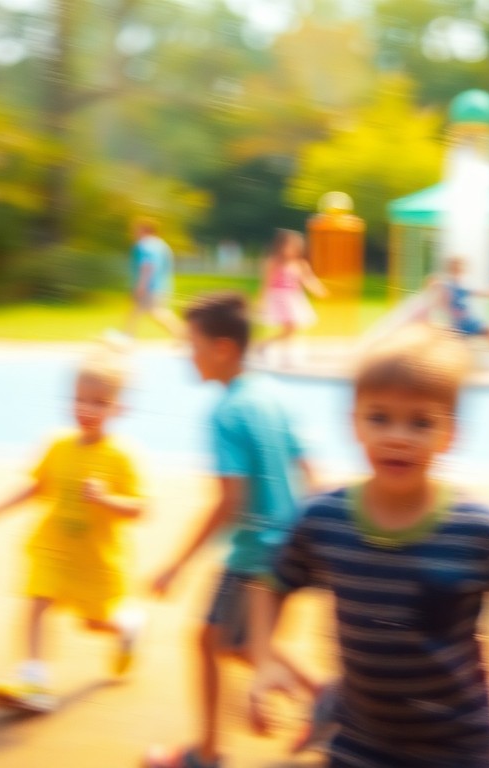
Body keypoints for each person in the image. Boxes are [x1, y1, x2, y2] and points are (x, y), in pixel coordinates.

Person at [246, 326, 489, 767]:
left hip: (456, 749)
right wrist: (263, 657)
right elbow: (272, 582)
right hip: (360, 741)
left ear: (450, 434)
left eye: (421, 422)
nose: (398, 436)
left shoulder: (478, 530)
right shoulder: (324, 519)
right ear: (354, 424)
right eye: (379, 417)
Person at [145, 291, 327, 768]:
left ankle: (206, 753)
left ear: (223, 348)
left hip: (254, 554)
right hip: (288, 548)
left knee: (207, 642)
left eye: (194, 344)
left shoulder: (225, 412)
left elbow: (229, 501)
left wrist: (176, 565)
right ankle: (323, 700)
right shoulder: (273, 395)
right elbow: (311, 471)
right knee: (240, 643)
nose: (188, 354)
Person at [0, 347, 147, 713]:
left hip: (95, 560)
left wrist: (108, 500)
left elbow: (140, 508)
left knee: (96, 623)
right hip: (52, 548)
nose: (87, 409)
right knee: (37, 602)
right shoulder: (57, 446)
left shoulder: (121, 456)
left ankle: (127, 628)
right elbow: (36, 486)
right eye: (80, 399)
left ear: (119, 409)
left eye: (99, 402)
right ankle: (34, 681)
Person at [253, 229, 327, 368]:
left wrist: (318, 290)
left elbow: (308, 280)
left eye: (296, 246)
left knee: (291, 329)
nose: (293, 249)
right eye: (290, 245)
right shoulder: (274, 263)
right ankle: (269, 348)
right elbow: (266, 283)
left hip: (293, 299)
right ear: (281, 246)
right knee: (290, 328)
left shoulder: (300, 264)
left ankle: (267, 346)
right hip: (280, 299)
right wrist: (261, 301)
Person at [432, 256, 489, 368]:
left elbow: (484, 294)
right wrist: (453, 314)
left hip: (469, 322)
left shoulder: (461, 284)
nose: (462, 270)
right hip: (458, 324)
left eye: (462, 267)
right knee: (460, 345)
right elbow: (442, 303)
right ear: (452, 268)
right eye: (459, 267)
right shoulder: (447, 285)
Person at [126, 218, 183, 341]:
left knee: (156, 312)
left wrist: (141, 286)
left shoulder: (144, 245)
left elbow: (147, 266)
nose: (134, 233)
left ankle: (182, 333)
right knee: (138, 311)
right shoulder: (162, 245)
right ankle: (128, 336)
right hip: (162, 285)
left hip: (149, 286)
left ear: (144, 230)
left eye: (136, 230)